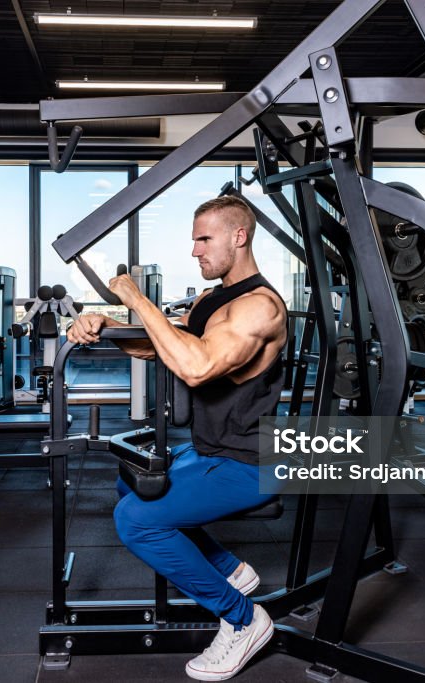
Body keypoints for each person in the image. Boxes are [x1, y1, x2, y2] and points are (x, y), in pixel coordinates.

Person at [66, 195, 287, 681]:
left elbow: (197, 365)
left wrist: (136, 298)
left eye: (204, 240)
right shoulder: (214, 300)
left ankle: (243, 618)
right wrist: (105, 326)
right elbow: (164, 342)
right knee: (132, 481)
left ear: (239, 236)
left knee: (136, 521)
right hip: (213, 449)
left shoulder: (261, 307)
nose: (195, 252)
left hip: (251, 463)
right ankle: (230, 569)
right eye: (194, 240)